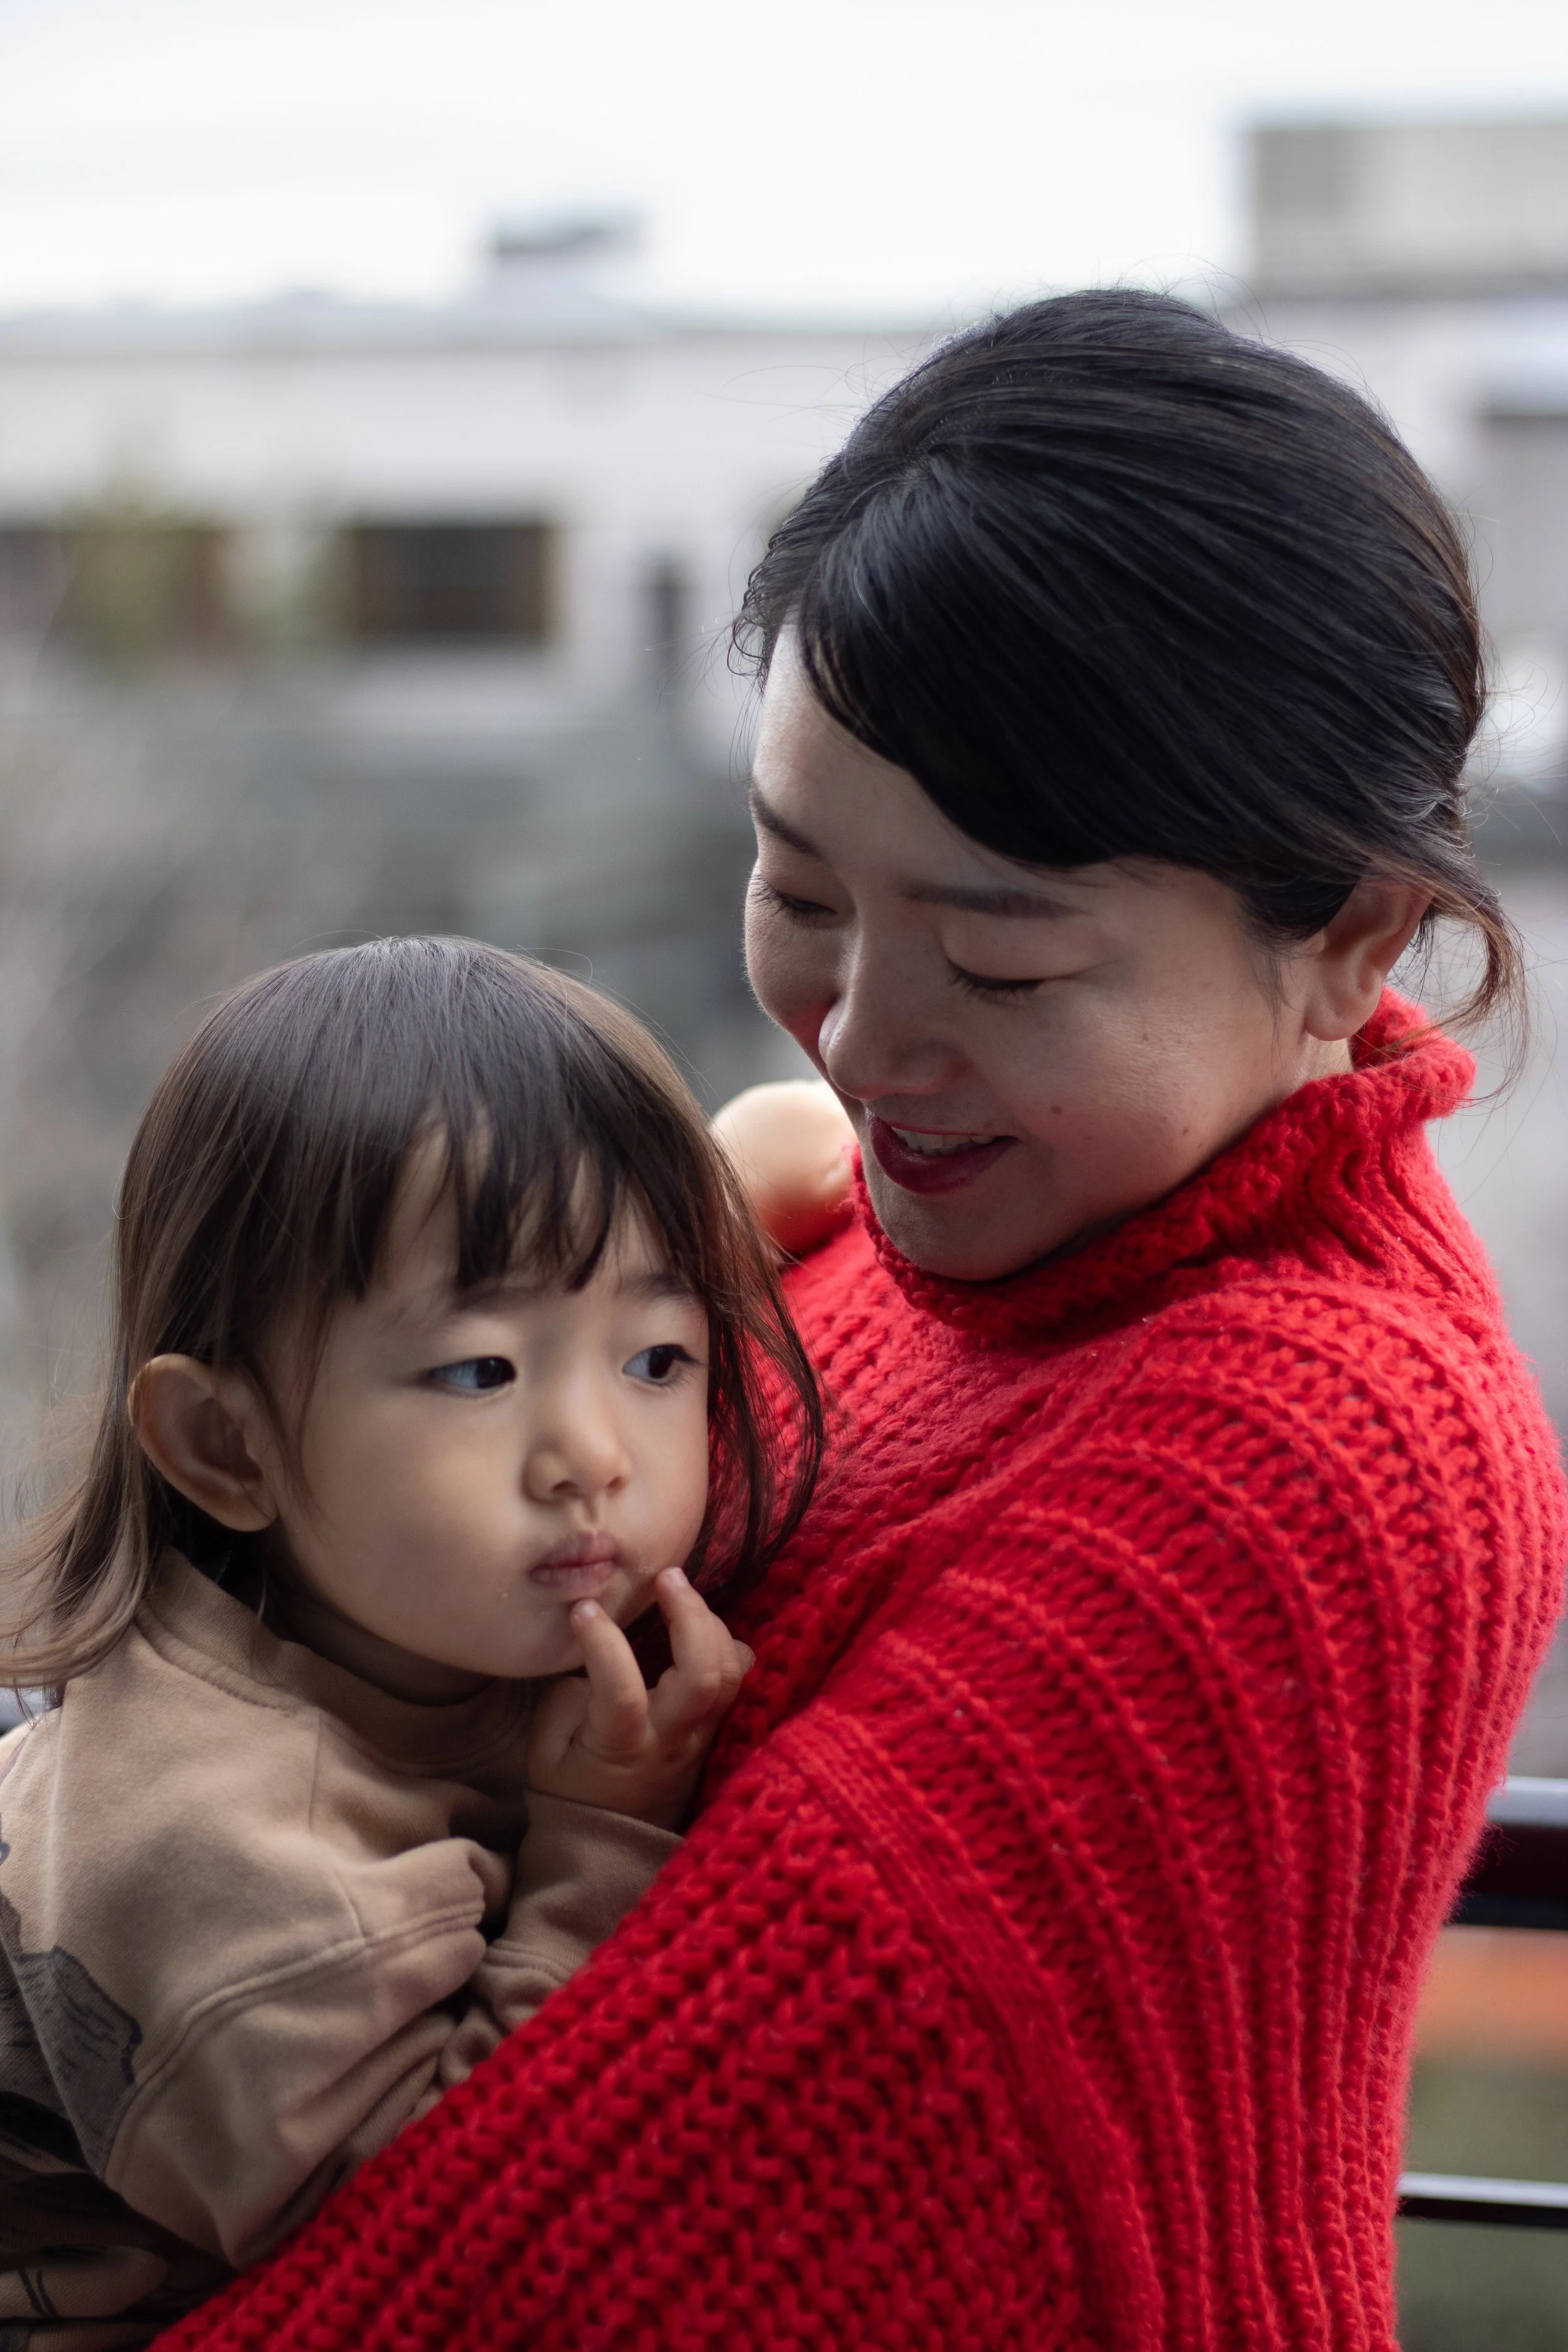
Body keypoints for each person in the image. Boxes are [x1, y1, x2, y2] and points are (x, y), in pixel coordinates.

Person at [109, 295, 1568, 2349]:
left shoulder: (1309, 1457)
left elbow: (604, 2236)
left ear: (1349, 941)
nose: (868, 1034)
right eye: (801, 891)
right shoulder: (894, 1227)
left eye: (1001, 958)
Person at [0, 938, 821, 2346]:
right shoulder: (214, 1852)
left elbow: (718, 1199)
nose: (589, 1456)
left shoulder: (403, 1595)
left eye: (657, 1361)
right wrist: (593, 1846)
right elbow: (448, 2247)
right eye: (476, 1373)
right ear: (224, 1445)